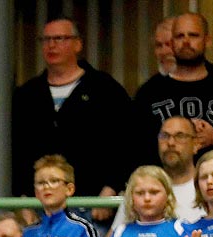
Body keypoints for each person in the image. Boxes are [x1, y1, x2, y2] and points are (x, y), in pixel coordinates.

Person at [10, 19, 132, 199]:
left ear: (78, 44)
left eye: (59, 38)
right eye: (46, 40)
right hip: (38, 204)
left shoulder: (105, 89)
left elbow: (126, 142)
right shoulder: (27, 94)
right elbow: (16, 150)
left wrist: (111, 188)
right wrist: (23, 197)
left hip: (93, 201)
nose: (51, 45)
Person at [130, 12, 213, 165]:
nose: (186, 41)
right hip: (165, 184)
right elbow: (135, 149)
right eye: (179, 36)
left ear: (208, 41)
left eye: (193, 35)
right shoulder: (150, 91)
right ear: (172, 43)